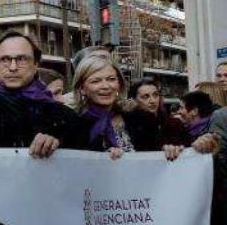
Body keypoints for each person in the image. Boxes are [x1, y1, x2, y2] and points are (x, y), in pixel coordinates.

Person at [71, 55, 216, 160]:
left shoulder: (142, 119)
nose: (106, 86)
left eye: (111, 79)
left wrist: (175, 149)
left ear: (119, 84)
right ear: (82, 88)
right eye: (96, 81)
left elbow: (166, 156)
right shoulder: (73, 124)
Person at [126, 77, 189, 148]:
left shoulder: (175, 124)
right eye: (145, 97)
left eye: (155, 95)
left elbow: (189, 149)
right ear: (134, 100)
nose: (152, 101)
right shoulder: (128, 126)